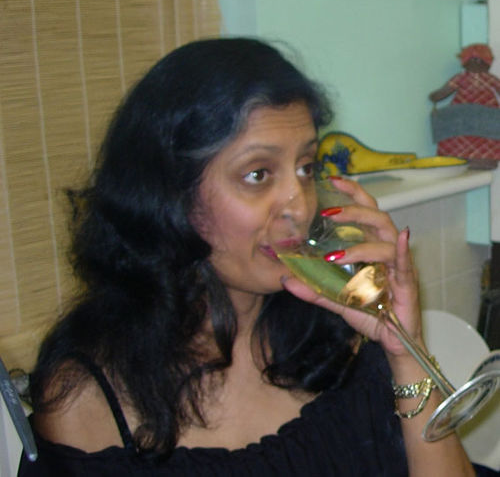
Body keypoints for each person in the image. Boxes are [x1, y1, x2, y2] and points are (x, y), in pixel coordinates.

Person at [17, 38, 485, 476]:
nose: (300, 207)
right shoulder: (88, 399)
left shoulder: (334, 336)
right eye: (258, 174)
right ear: (170, 195)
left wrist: (405, 350)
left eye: (306, 168)